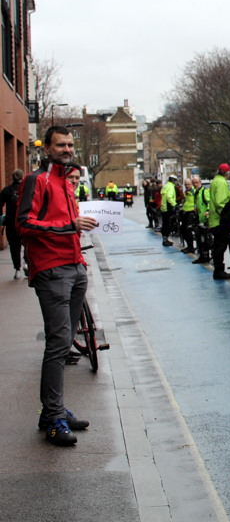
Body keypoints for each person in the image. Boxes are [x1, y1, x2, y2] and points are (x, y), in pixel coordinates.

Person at [16, 126, 98, 446]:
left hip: (75, 267)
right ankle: (52, 417)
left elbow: (70, 222)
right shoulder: (37, 180)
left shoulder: (67, 181)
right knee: (59, 342)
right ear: (47, 148)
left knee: (66, 341)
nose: (66, 149)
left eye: (70, 145)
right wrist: (68, 226)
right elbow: (23, 224)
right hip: (51, 270)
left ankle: (55, 410)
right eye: (60, 145)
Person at [209, 163, 230, 280]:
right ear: (226, 173)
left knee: (218, 246)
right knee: (220, 246)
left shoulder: (215, 181)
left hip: (214, 220)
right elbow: (221, 202)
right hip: (220, 221)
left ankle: (218, 269)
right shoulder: (222, 182)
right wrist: (228, 215)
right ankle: (219, 271)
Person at [0, 169, 24, 279]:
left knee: (14, 247)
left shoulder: (7, 190)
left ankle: (17, 269)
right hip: (26, 222)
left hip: (11, 222)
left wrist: (2, 217)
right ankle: (27, 264)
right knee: (29, 244)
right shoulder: (27, 189)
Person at [191, 175, 212, 264]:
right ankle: (202, 256)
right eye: (194, 183)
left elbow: (209, 202)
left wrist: (207, 211)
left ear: (200, 182)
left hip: (205, 219)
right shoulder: (196, 192)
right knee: (199, 239)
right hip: (199, 218)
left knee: (204, 240)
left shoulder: (204, 192)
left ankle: (205, 256)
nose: (195, 184)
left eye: (197, 182)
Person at [179, 177, 196, 254]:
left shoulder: (194, 192)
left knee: (187, 229)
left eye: (188, 184)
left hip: (191, 212)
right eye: (186, 184)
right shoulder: (186, 192)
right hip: (185, 212)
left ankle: (191, 247)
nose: (187, 186)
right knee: (183, 229)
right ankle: (189, 246)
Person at [160, 175, 178, 247]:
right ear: (174, 180)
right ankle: (166, 240)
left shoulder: (165, 186)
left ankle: (165, 239)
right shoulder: (171, 187)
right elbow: (169, 197)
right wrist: (174, 205)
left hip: (164, 208)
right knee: (168, 225)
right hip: (169, 208)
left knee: (164, 224)